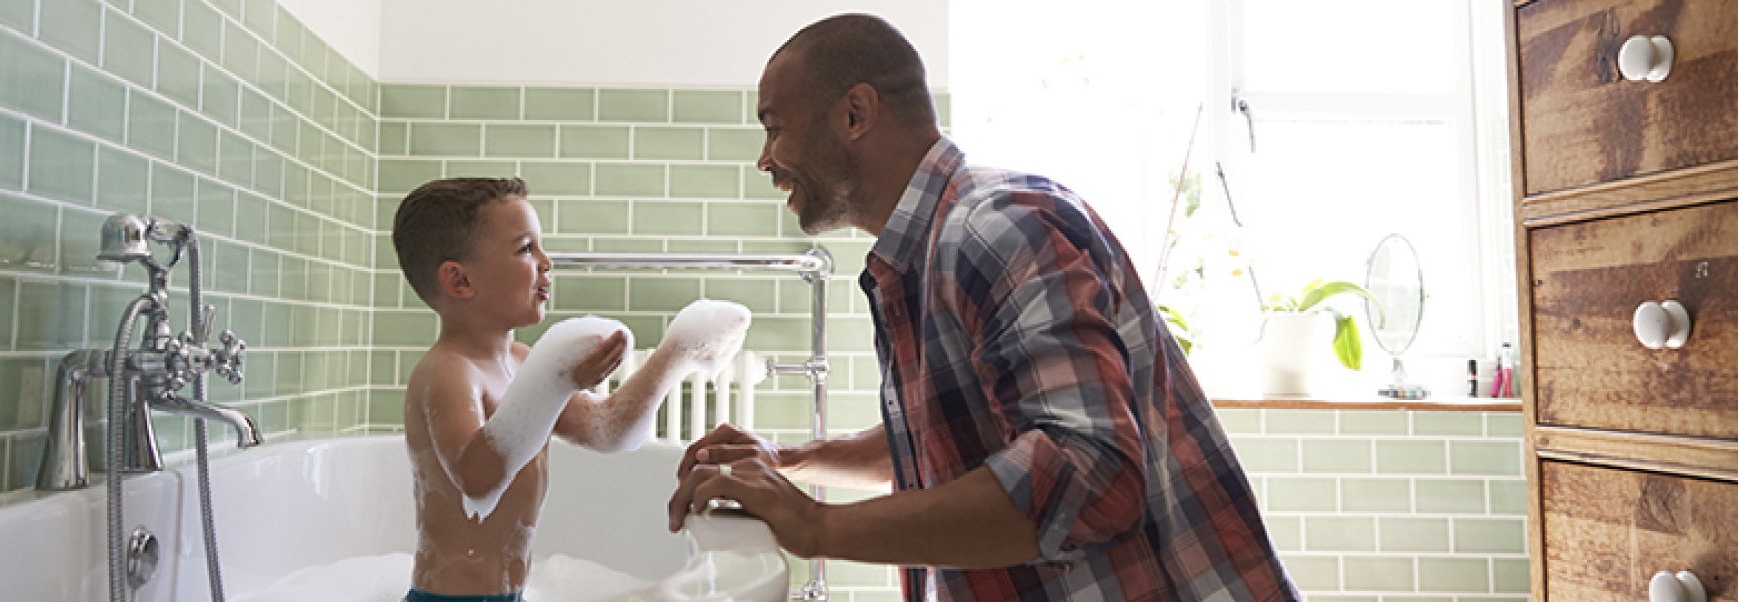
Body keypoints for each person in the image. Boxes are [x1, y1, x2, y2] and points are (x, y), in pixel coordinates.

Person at [665, 14, 1300, 601]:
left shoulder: (994, 228)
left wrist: (814, 525)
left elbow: (1089, 473)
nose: (766, 158)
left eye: (775, 125)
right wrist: (795, 460)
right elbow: (962, 434)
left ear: (855, 113)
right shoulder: (924, 253)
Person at [392, 177, 737, 602]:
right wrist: (556, 382)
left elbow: (608, 429)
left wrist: (677, 350)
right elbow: (478, 477)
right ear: (459, 281)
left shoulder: (522, 362)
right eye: (525, 249)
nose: (546, 261)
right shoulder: (448, 371)